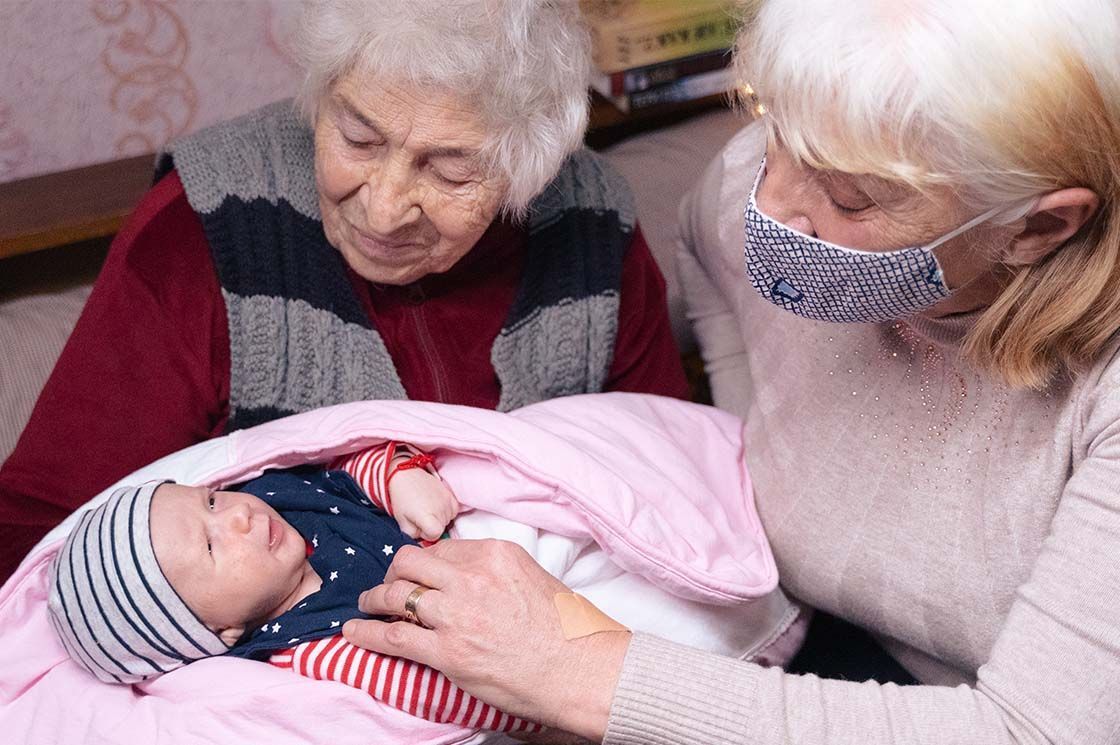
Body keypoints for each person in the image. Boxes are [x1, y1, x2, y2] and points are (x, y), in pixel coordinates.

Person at [335, 1, 1120, 743]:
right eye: (770, 125)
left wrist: (567, 666)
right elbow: (710, 244)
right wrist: (756, 443)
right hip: (797, 649)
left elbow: (1036, 730)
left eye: (851, 195)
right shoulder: (751, 190)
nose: (770, 205)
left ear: (1037, 226)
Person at [0, 0, 689, 584]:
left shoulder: (592, 224)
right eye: (358, 138)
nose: (384, 209)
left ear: (529, 169)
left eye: (449, 171)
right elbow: (43, 534)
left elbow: (676, 486)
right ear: (320, 95)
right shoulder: (205, 229)